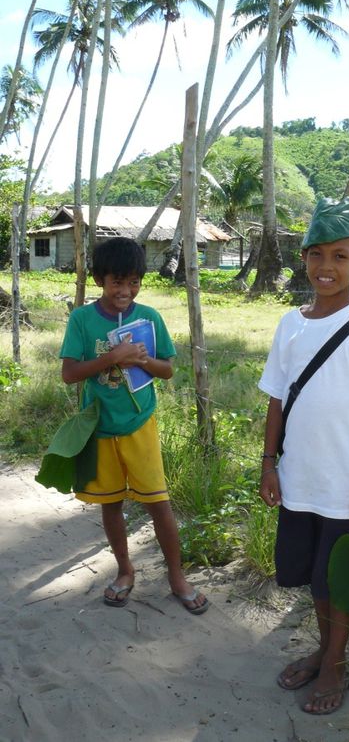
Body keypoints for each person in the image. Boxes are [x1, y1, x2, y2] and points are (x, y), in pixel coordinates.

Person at [258, 198, 349, 715]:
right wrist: (269, 462)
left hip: (347, 486)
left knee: (338, 579)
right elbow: (277, 397)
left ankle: (336, 664)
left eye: (340, 256)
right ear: (303, 258)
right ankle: (325, 648)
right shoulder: (290, 325)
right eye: (317, 254)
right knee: (312, 576)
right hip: (300, 478)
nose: (327, 267)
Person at [60, 237, 209, 614]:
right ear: (98, 280)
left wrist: (140, 360)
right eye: (116, 282)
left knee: (159, 503)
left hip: (140, 425)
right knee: (110, 504)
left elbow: (168, 369)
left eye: (133, 282)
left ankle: (177, 577)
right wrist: (111, 358)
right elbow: (70, 373)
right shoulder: (82, 319)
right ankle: (125, 571)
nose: (125, 291)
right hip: (99, 427)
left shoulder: (150, 319)